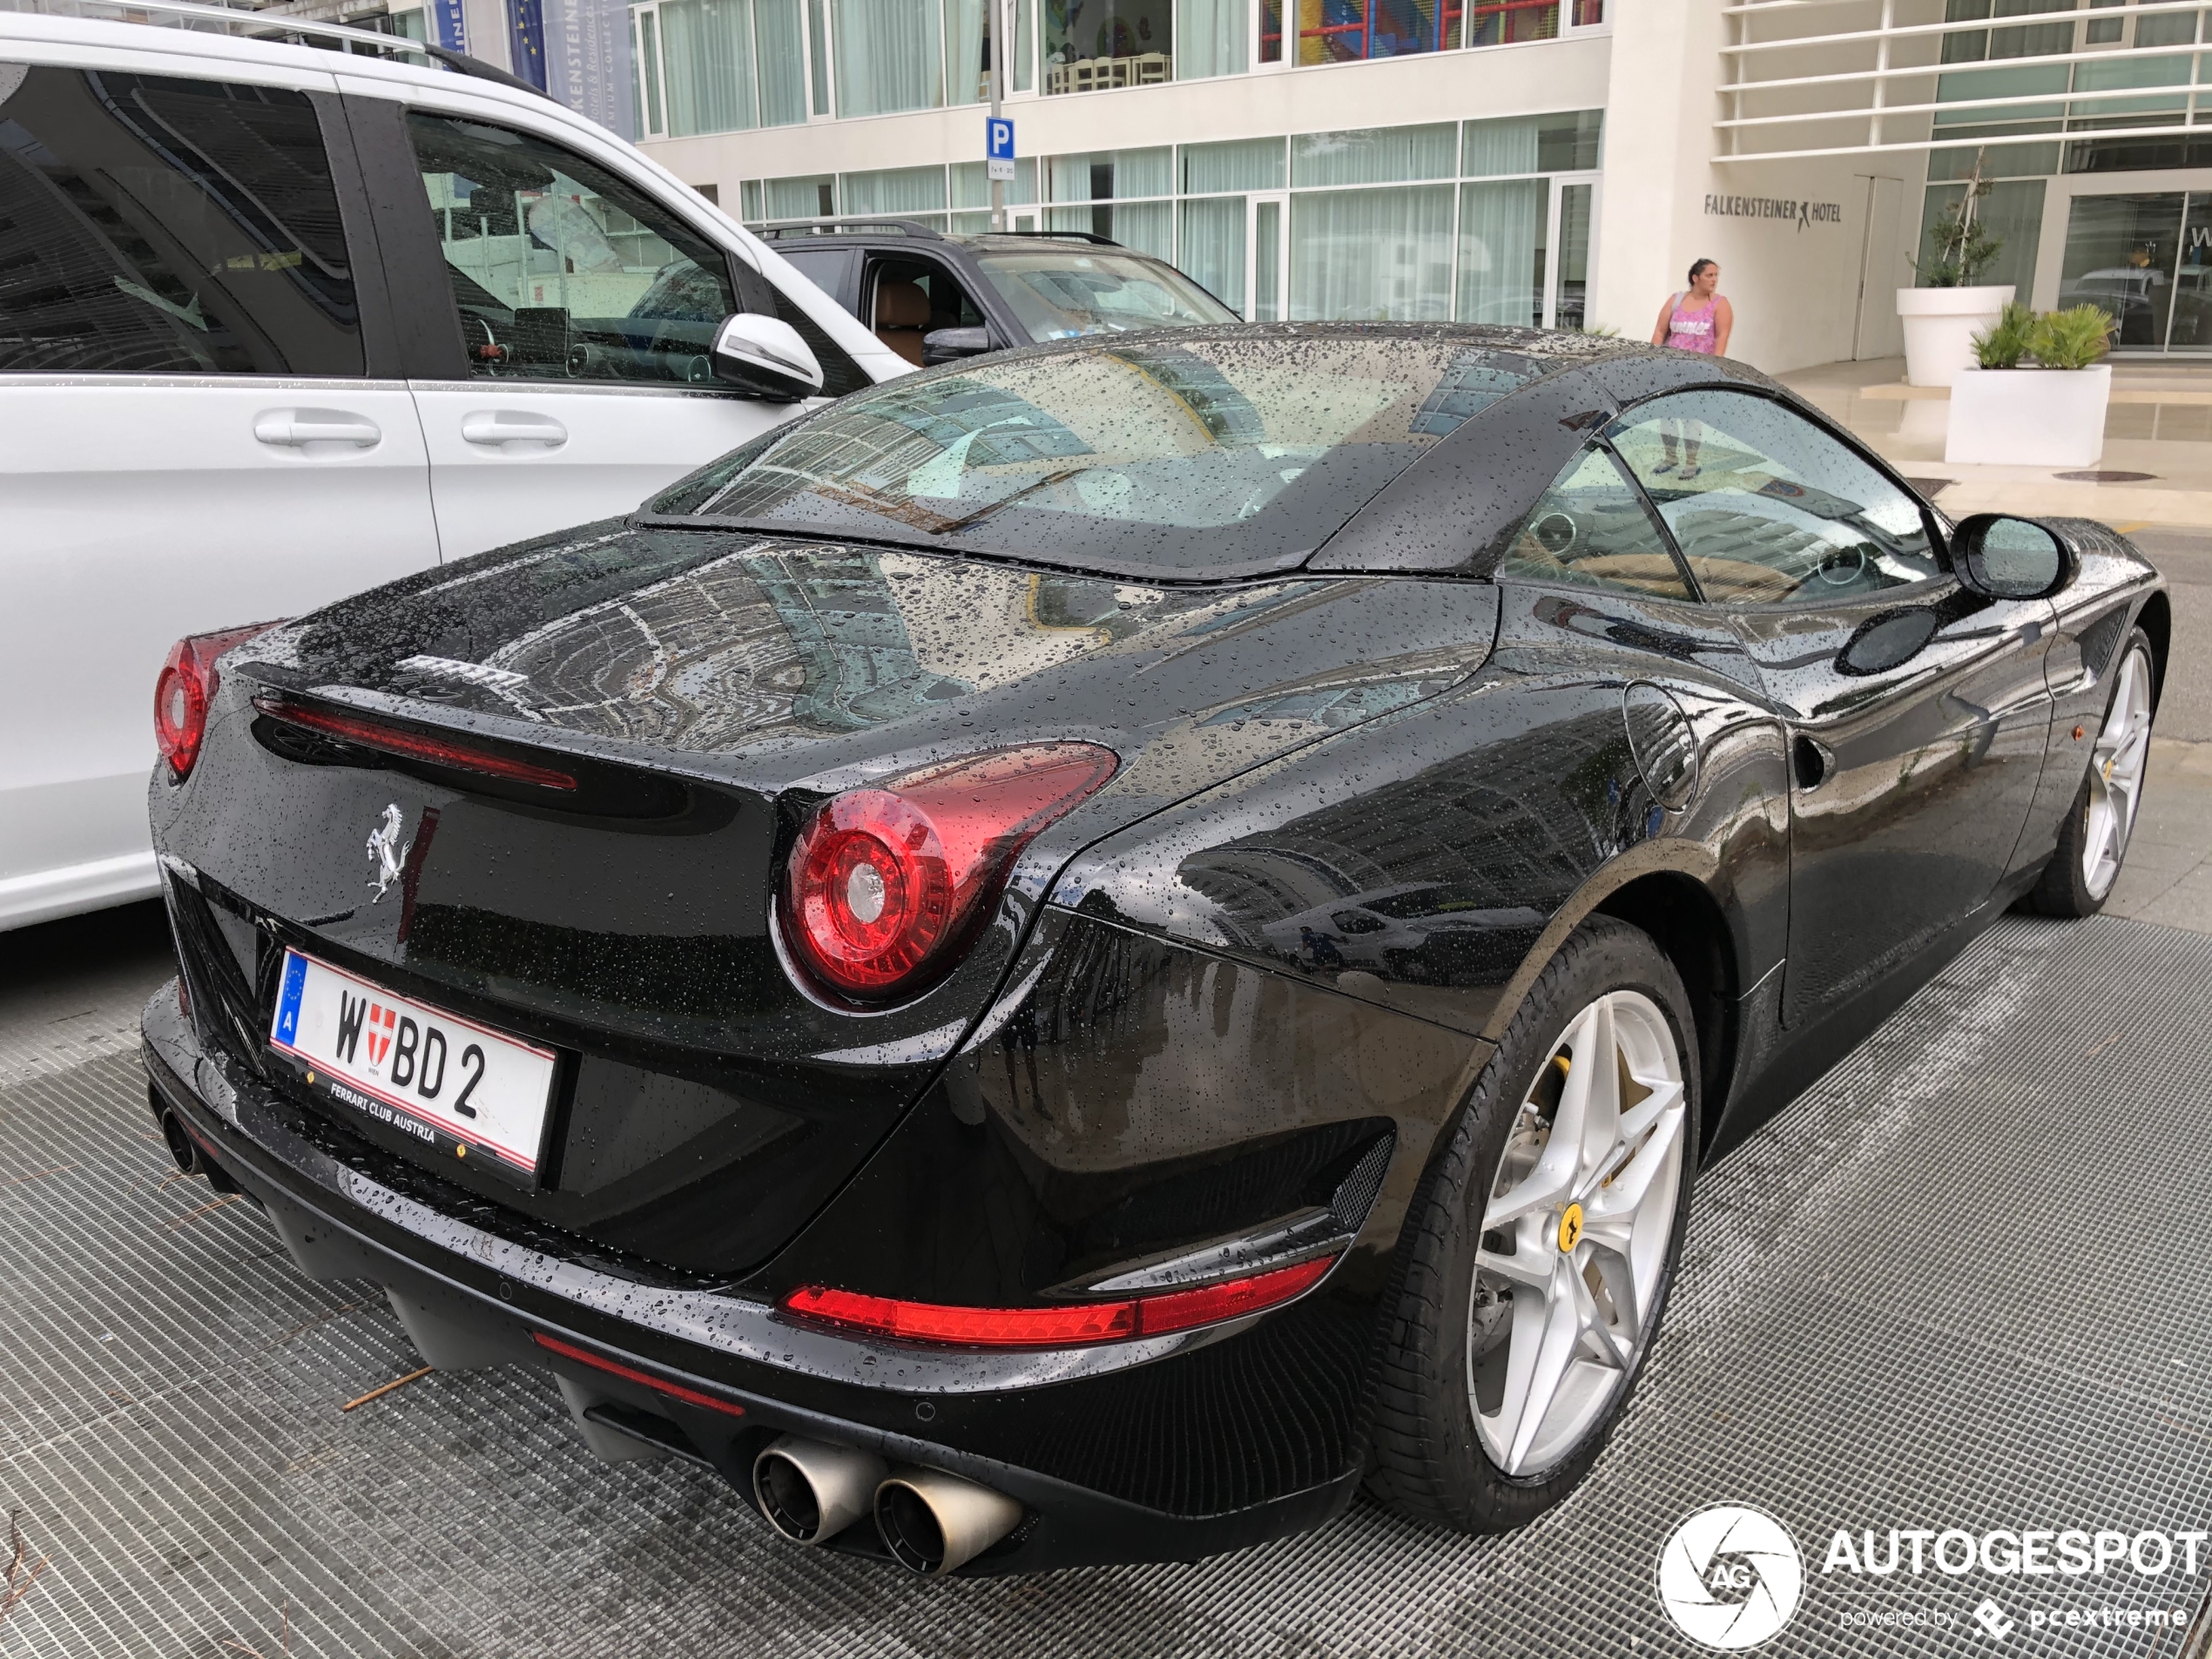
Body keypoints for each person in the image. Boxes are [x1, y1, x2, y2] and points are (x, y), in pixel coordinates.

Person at [1649, 259, 1732, 478]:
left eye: (1716, 275)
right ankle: (1670, 457)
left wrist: (1716, 367)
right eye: (1709, 275)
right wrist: (1653, 360)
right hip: (1669, 369)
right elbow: (1659, 331)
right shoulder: (1676, 300)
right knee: (1666, 415)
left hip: (1698, 371)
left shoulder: (1720, 304)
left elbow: (1722, 336)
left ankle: (1691, 462)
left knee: (1691, 417)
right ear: (1695, 278)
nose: (1714, 280)